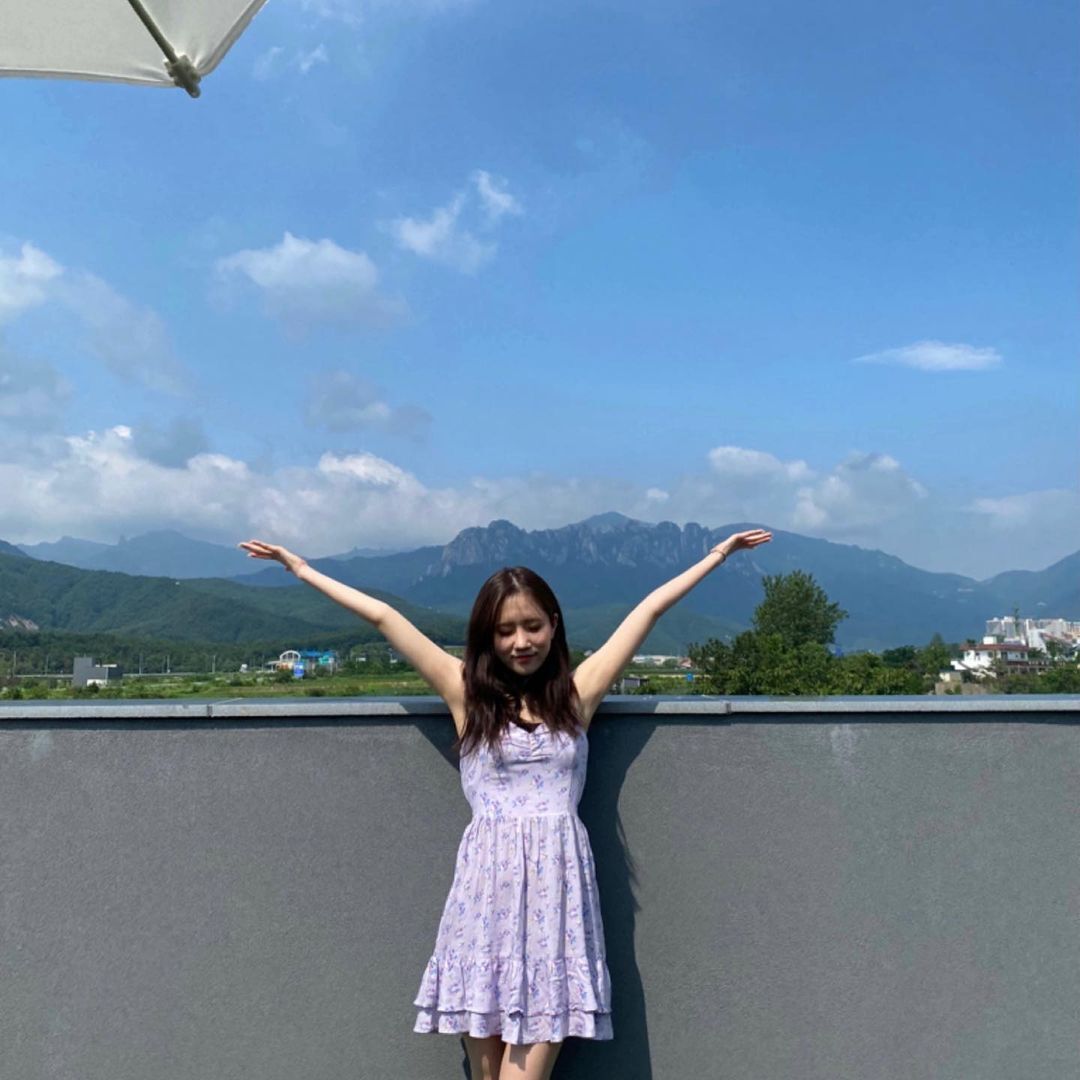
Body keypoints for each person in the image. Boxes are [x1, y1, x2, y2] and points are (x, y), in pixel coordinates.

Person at [239, 527, 772, 1080]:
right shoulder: (466, 695)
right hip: (483, 898)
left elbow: (648, 610)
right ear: (488, 637)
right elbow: (384, 618)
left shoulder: (577, 696)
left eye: (533, 626)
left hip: (556, 901)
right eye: (506, 630)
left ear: (554, 626)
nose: (522, 642)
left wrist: (719, 555)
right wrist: (300, 569)